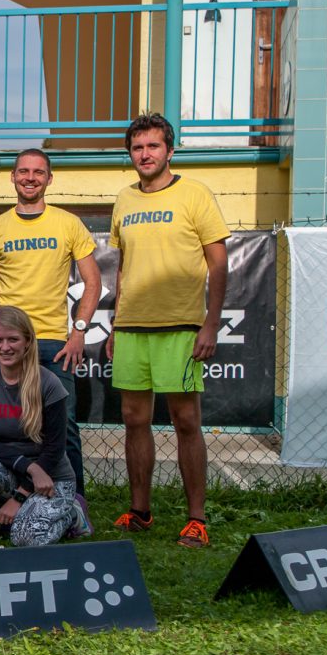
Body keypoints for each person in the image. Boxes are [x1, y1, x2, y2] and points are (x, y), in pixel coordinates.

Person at [107, 113, 229, 549]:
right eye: (138, 147)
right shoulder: (123, 199)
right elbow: (123, 267)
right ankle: (140, 511)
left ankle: (196, 519)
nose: (145, 154)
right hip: (131, 327)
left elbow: (218, 263)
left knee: (186, 421)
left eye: (153, 146)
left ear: (169, 151)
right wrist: (115, 323)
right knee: (134, 419)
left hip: (180, 326)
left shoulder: (195, 193)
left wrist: (210, 323)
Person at [0, 147, 101, 496]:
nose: (30, 178)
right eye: (23, 171)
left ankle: (74, 501)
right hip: (6, 344)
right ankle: (7, 498)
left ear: (49, 179)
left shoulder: (68, 223)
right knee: (5, 427)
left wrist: (78, 333)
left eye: (38, 172)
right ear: (13, 176)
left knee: (65, 427)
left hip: (52, 343)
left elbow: (93, 282)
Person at [0, 306, 90, 548]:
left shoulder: (49, 383)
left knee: (25, 539)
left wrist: (21, 495)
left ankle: (73, 514)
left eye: (13, 339)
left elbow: (55, 449)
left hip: (51, 478)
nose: (5, 347)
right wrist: (29, 468)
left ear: (27, 341)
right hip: (14, 472)